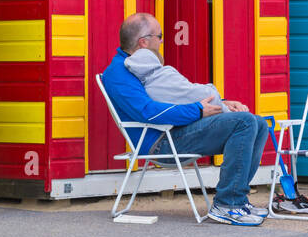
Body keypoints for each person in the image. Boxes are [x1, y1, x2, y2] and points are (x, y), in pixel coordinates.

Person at [101, 12, 270, 226]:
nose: (162, 41)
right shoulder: (119, 73)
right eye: (160, 36)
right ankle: (227, 204)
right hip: (160, 143)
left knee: (258, 123)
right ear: (144, 42)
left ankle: (238, 199)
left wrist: (222, 103)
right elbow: (148, 111)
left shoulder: (141, 64)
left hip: (176, 131)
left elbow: (178, 95)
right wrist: (197, 111)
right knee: (244, 122)